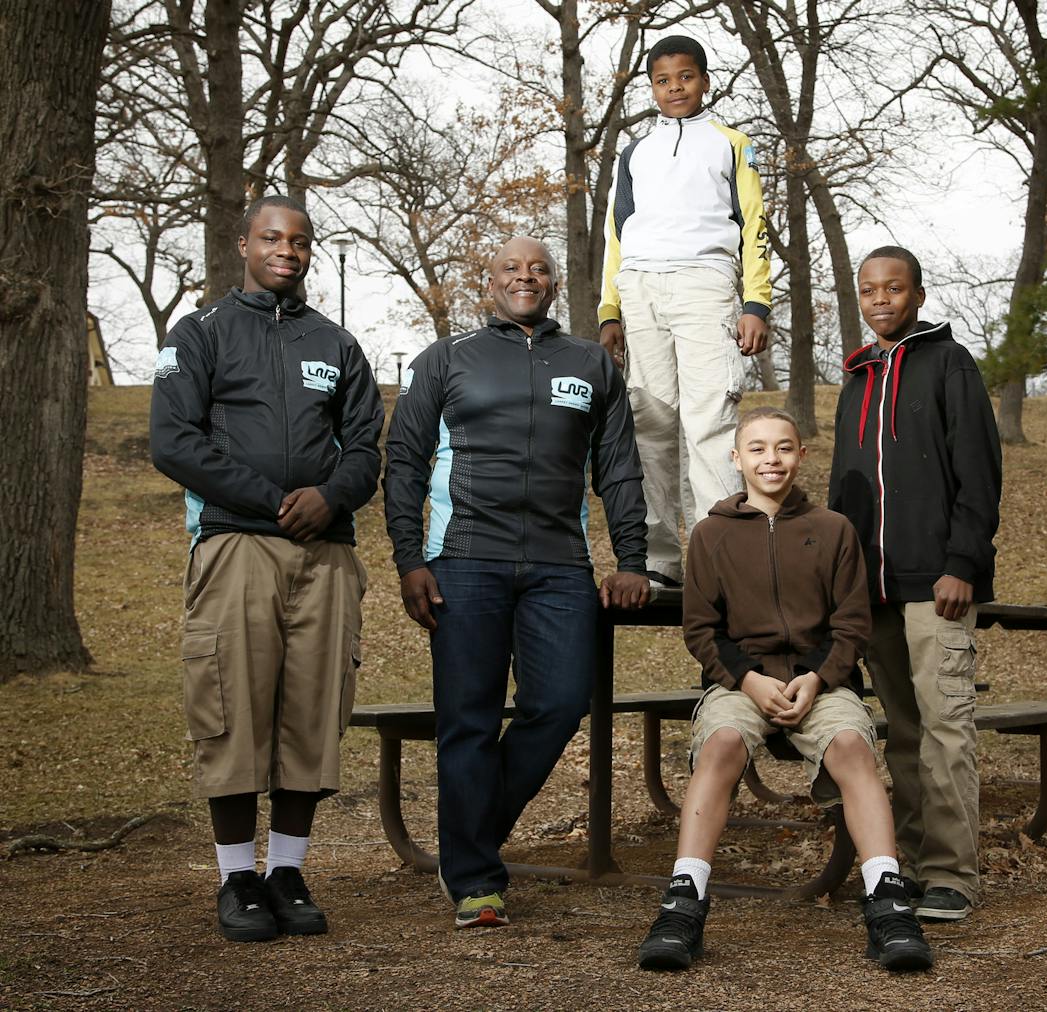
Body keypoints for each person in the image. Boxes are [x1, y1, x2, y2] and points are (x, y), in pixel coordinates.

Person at [383, 236, 651, 929]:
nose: (525, 277)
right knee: (468, 718)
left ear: (555, 284)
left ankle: (465, 837)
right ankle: (475, 879)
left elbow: (618, 468)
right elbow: (404, 461)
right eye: (511, 268)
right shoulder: (446, 359)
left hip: (560, 564)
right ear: (488, 280)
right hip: (464, 557)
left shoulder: (590, 362)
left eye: (538, 269)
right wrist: (409, 558)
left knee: (561, 702)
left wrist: (630, 559)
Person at [149, 195, 385, 943]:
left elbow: (365, 449)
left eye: (301, 240)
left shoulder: (337, 345)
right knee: (233, 708)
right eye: (272, 237)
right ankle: (236, 879)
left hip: (328, 554)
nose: (288, 249)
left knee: (312, 709)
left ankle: (286, 870)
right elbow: (174, 442)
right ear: (243, 243)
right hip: (236, 546)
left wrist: (333, 497)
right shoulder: (200, 335)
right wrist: (274, 500)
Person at [636, 407, 933, 973]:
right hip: (740, 680)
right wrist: (748, 679)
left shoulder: (833, 530)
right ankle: (683, 903)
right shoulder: (711, 534)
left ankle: (888, 902)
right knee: (721, 744)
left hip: (821, 679)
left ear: (800, 454)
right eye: (757, 448)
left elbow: (853, 625)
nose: (771, 459)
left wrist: (817, 677)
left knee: (852, 749)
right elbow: (701, 630)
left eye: (783, 447)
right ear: (736, 458)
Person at [828, 247, 1002, 922]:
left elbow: (978, 472)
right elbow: (846, 489)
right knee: (900, 732)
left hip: (937, 582)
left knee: (945, 727)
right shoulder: (858, 376)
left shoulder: (949, 365)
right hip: (870, 592)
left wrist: (962, 561)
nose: (880, 299)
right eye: (870, 289)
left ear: (918, 295)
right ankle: (899, 864)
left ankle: (953, 875)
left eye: (893, 288)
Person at [598, 34, 772, 587]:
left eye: (686, 77)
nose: (675, 88)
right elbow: (616, 234)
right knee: (650, 425)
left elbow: (754, 229)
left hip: (706, 284)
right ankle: (658, 560)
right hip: (641, 287)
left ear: (705, 81)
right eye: (663, 80)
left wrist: (756, 303)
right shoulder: (634, 152)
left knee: (708, 423)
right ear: (651, 88)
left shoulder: (731, 144)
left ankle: (720, 558)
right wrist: (610, 311)